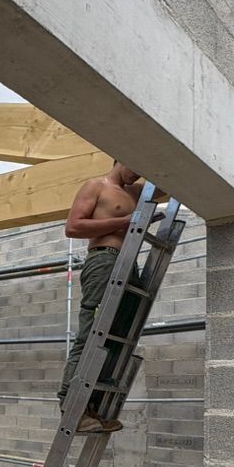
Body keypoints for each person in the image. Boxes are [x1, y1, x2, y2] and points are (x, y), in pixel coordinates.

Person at [57, 160, 151, 433]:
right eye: (134, 165)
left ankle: (93, 407)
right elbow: (73, 227)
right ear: (120, 156)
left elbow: (174, 177)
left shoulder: (137, 191)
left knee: (119, 337)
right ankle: (71, 406)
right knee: (92, 334)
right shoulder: (96, 186)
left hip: (129, 265)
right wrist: (124, 222)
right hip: (104, 260)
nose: (137, 173)